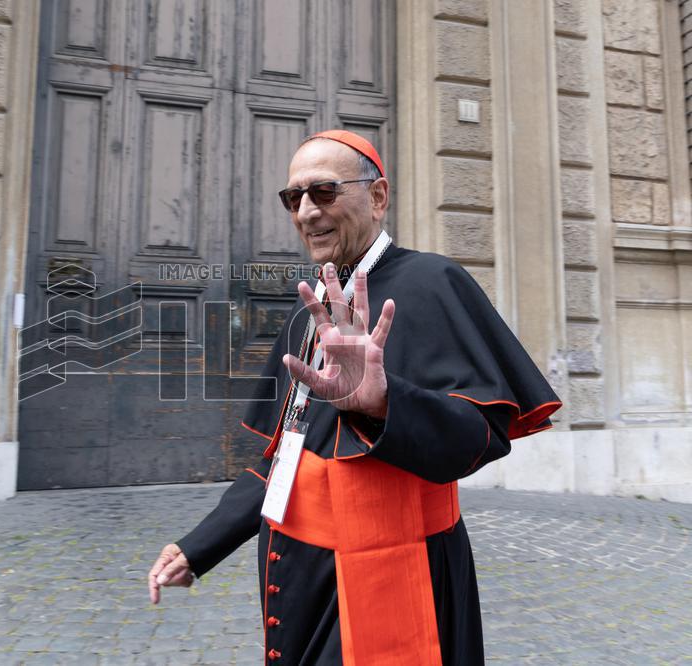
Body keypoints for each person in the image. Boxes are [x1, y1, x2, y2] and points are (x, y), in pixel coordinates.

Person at [147, 130, 561, 665]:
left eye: (323, 192)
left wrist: (382, 402)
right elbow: (283, 460)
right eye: (293, 198)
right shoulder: (309, 308)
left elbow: (479, 438)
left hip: (395, 576)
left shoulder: (434, 282)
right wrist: (199, 546)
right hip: (304, 579)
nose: (306, 212)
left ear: (378, 197)